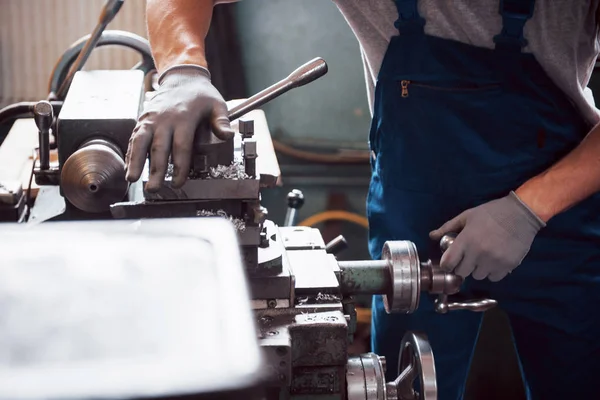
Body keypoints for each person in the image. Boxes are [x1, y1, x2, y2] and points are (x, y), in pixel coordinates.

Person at [125, 1, 600, 398]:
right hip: (417, 225)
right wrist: (183, 70)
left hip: (564, 214)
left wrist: (528, 209)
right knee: (404, 384)